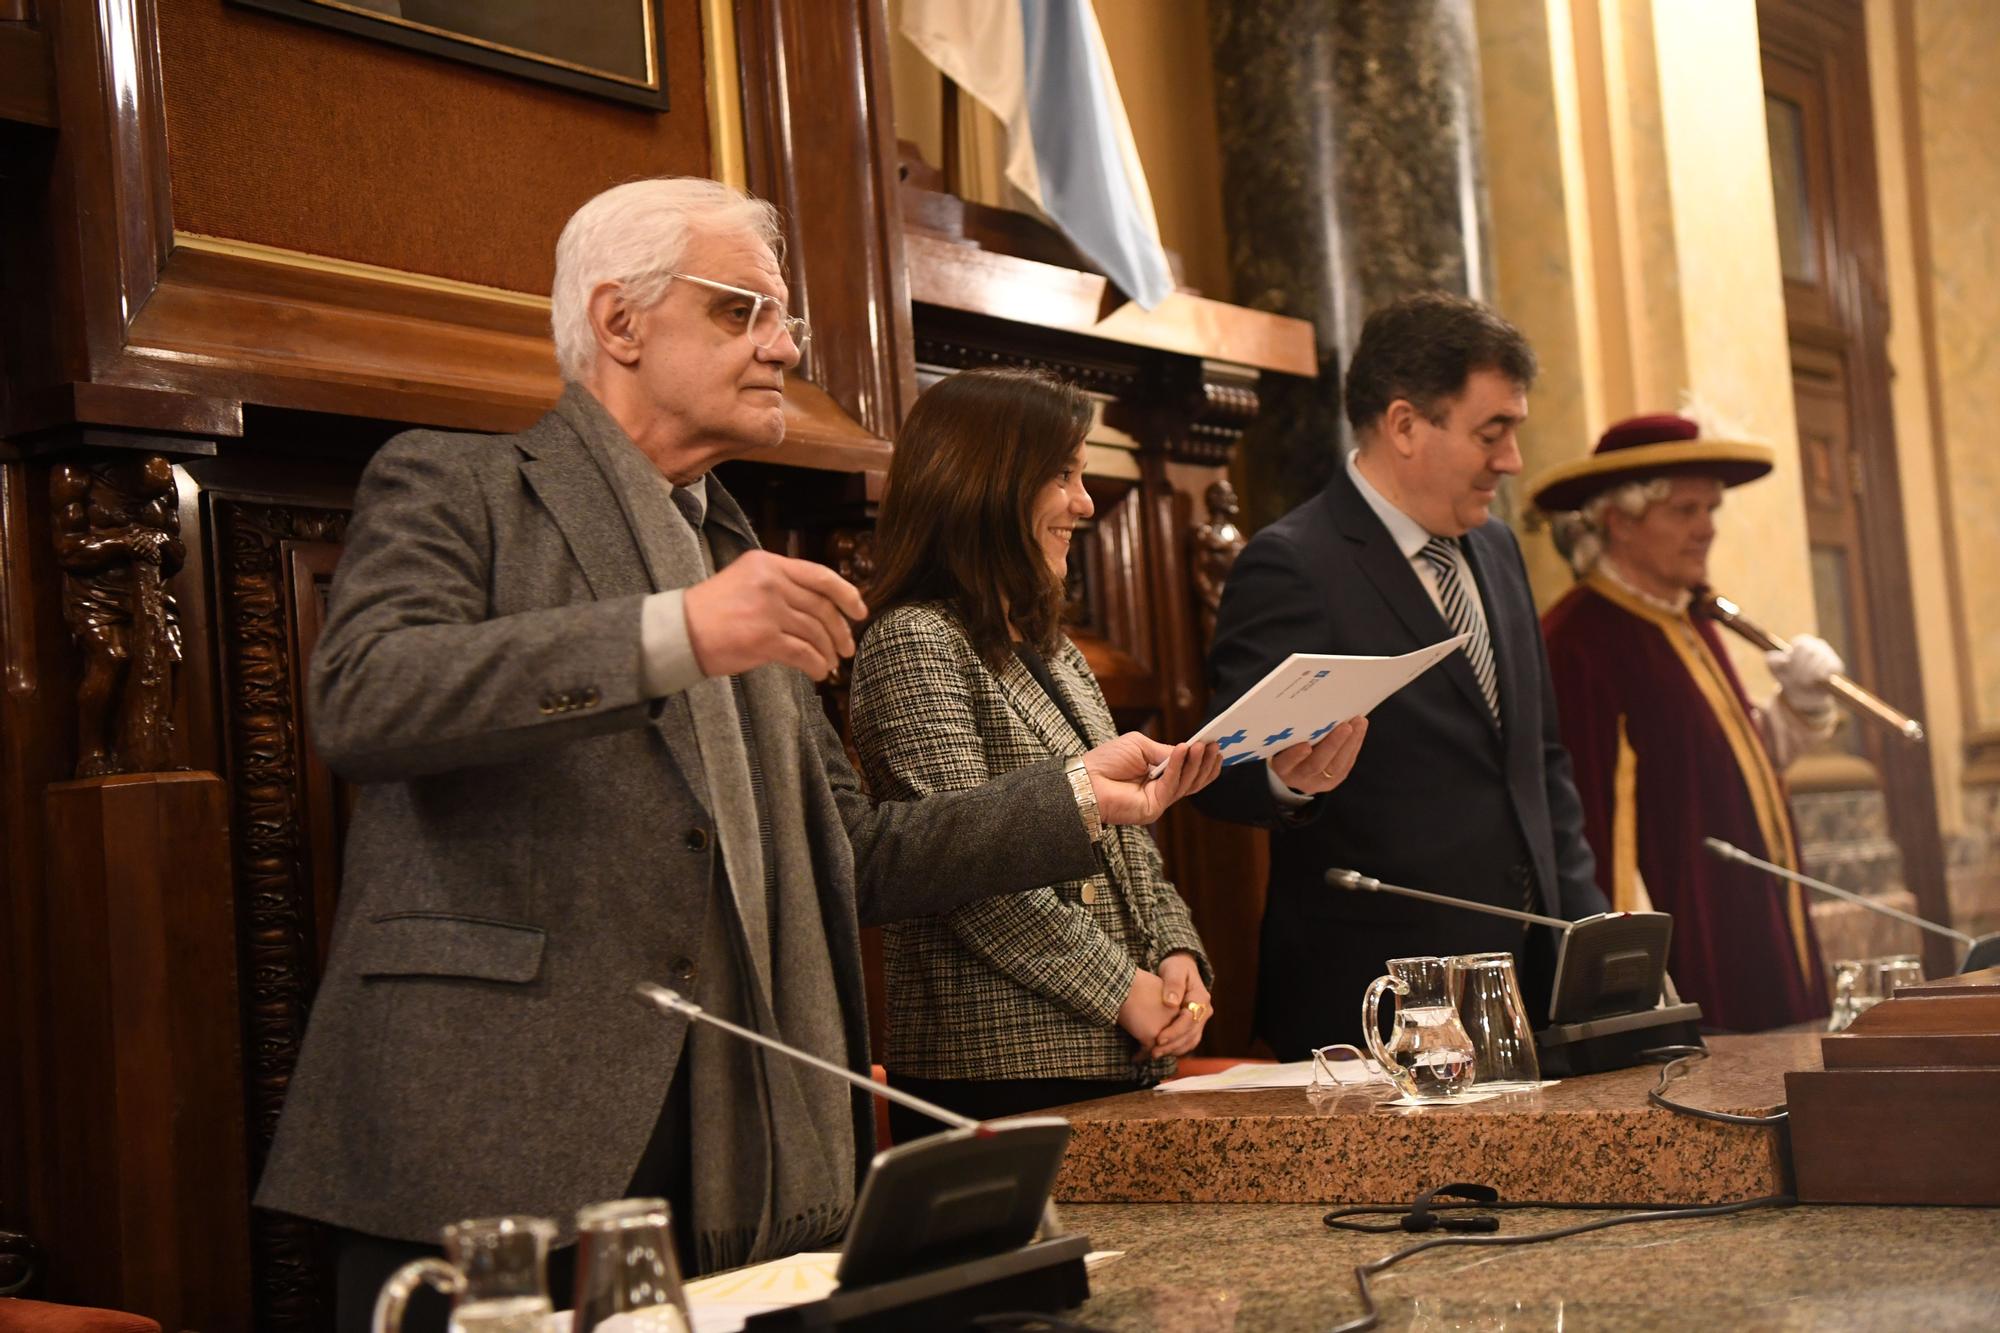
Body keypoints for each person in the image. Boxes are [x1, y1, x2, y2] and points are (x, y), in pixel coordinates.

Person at [252, 177, 1219, 1332]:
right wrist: (676, 633)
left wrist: (1069, 797)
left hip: (749, 1134)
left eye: (786, 319)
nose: (782, 346)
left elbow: (853, 855)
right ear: (619, 323)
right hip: (507, 1130)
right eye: (740, 312)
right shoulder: (460, 486)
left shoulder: (733, 548)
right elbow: (365, 699)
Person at [847, 368, 1359, 1139]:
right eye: (1063, 475)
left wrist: (1180, 955)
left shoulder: (1053, 652)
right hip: (999, 1069)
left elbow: (1131, 845)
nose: (1085, 503)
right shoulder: (913, 639)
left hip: (1112, 1053)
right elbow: (960, 875)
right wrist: (1123, 986)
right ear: (987, 483)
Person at [1195, 292, 1607, 1059]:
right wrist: (1291, 779)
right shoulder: (1294, 563)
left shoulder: (1499, 551)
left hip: (1531, 989)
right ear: (1406, 425)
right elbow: (1224, 771)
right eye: (1493, 432)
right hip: (1381, 1006)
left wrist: (1590, 936)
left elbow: (1540, 763)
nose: (1512, 460)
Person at [1530, 413, 1837, 1029]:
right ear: (1618, 520)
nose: (1706, 530)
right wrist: (1638, 988)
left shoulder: (1687, 615)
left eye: (1710, 511)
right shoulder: (1582, 641)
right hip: (1689, 959)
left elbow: (1724, 768)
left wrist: (1798, 709)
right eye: (1685, 511)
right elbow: (1590, 827)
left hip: (1756, 929)